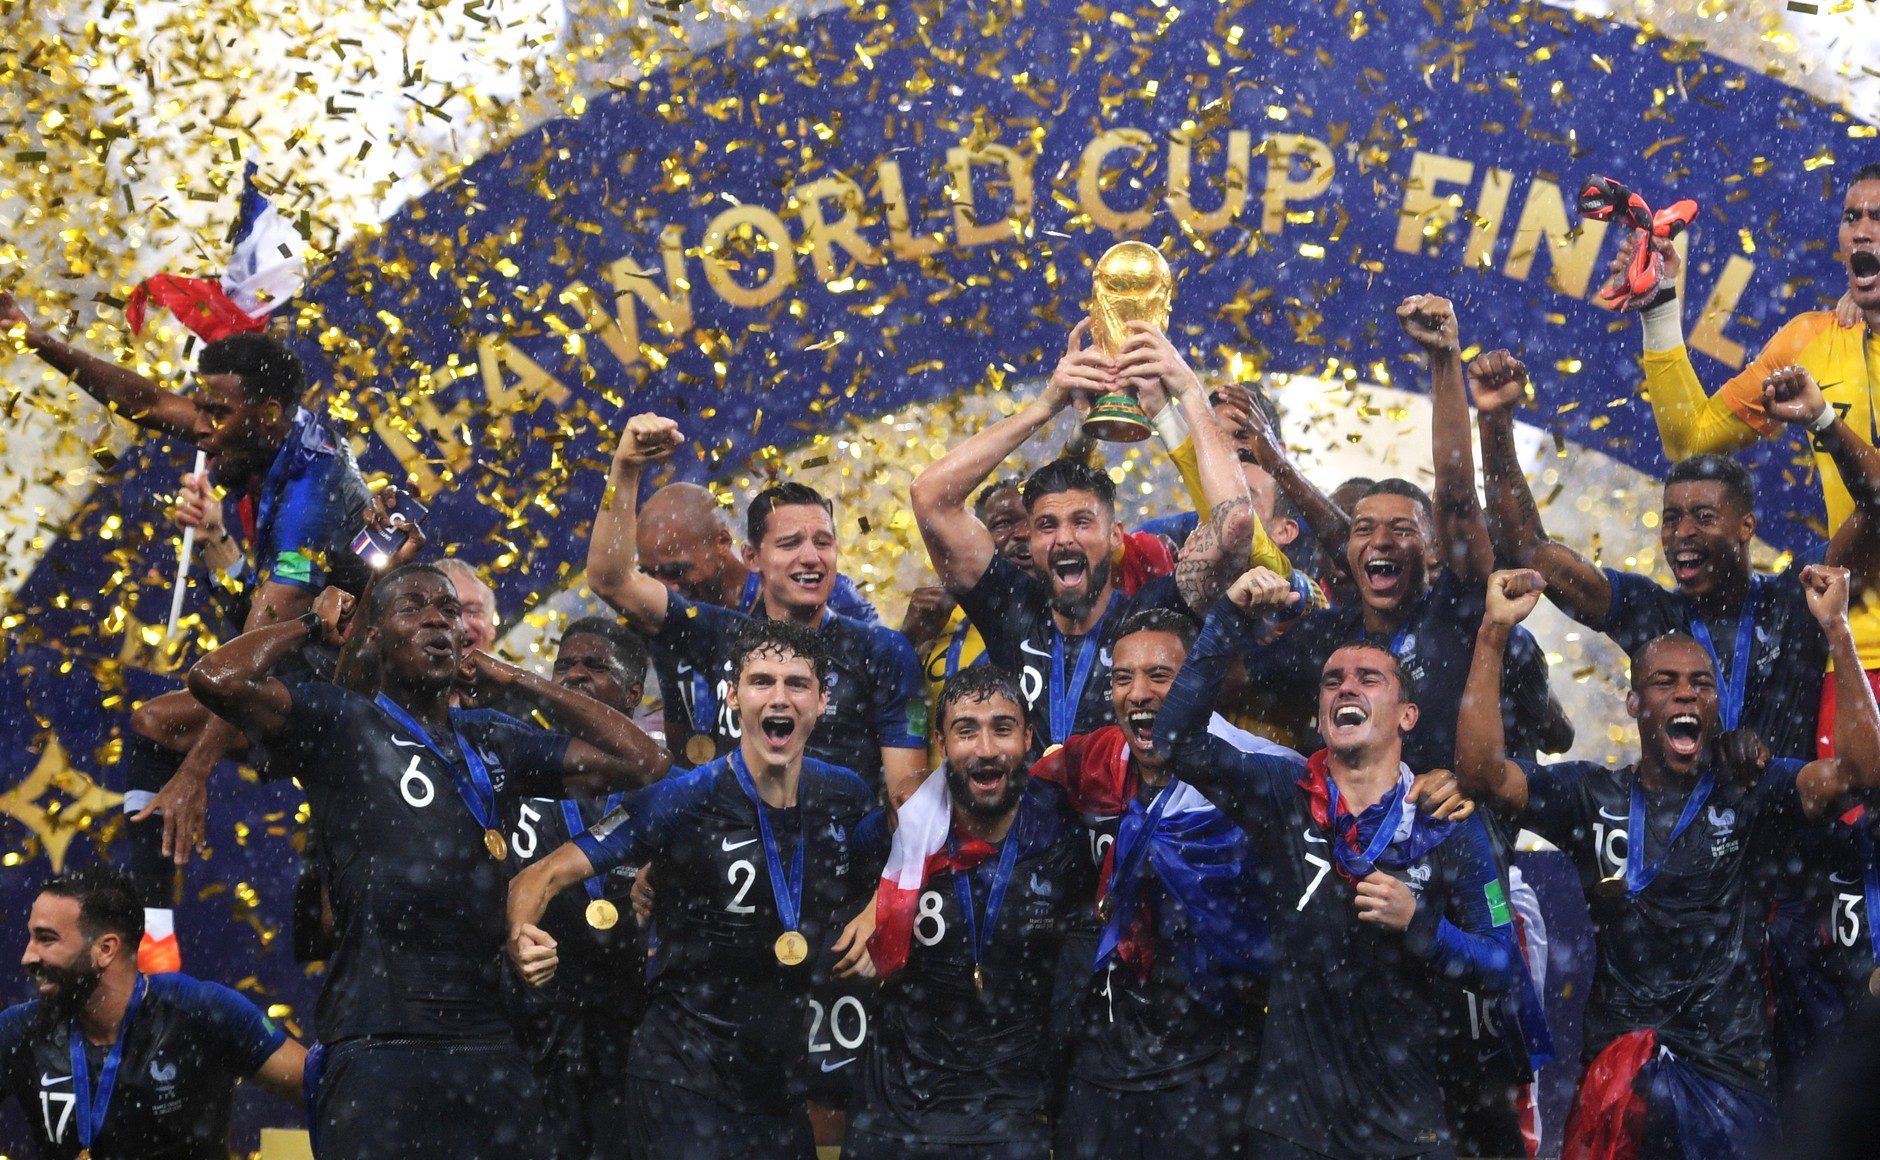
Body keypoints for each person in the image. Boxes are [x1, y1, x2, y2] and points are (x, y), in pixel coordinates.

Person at [185, 565, 670, 1158]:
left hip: (490, 1045)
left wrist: (518, 679)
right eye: (412, 607)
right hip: (378, 1043)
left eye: (449, 609)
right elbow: (217, 678)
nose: (439, 618)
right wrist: (312, 623)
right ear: (374, 636)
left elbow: (644, 763)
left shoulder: (491, 739)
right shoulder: (343, 721)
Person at [0, 297, 375, 970]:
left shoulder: (312, 490)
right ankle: (154, 940)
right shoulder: (271, 438)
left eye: (215, 412)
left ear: (265, 414)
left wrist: (196, 773)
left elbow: (257, 645)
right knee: (155, 723)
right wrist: (38, 340)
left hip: (347, 700)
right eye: (201, 406)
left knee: (166, 727)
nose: (198, 426)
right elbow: (145, 401)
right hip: (307, 674)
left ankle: (157, 943)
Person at [1455, 566, 1880, 1158]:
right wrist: (1492, 634)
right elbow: (1481, 774)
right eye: (1665, 682)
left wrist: (1836, 629)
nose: (1686, 693)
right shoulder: (1590, 796)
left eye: (1701, 683)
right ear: (1633, 703)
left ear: (1715, 706)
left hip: (1730, 1075)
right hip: (1619, 1077)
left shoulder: (1752, 793)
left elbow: (1862, 772)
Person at [1155, 565, 1522, 1158]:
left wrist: (1421, 926)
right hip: (1291, 1126)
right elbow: (1175, 741)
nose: (1345, 688)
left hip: (1405, 1127)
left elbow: (1501, 963)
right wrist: (1225, 618)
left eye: (1369, 679)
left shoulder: (1447, 821)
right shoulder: (1283, 790)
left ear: (1406, 715)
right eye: (1331, 681)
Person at [506, 619, 886, 1160]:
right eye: (761, 681)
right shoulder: (683, 799)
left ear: (822, 700)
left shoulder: (843, 795)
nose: (779, 697)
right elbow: (537, 877)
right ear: (733, 696)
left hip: (778, 1087)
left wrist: (878, 912)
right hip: (682, 1077)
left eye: (797, 684)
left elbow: (905, 849)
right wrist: (522, 934)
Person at [1475, 347, 1880, 761]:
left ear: (1746, 527)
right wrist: (1493, 419)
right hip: (1677, 826)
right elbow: (1528, 548)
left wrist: (1824, 421)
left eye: (1703, 517)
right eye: (1671, 518)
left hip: (1791, 819)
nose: (1682, 533)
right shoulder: (1650, 614)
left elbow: (1877, 506)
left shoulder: (1798, 597)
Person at [1233, 297, 1572, 774]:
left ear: (1435, 552)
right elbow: (1229, 680)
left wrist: (1444, 358)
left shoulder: (1463, 612)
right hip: (1353, 846)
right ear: (1347, 554)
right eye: (1365, 530)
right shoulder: (1329, 637)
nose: (1380, 541)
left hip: (1454, 838)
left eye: (1403, 529)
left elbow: (1455, 496)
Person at [1608, 163, 1880, 744]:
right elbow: (1691, 442)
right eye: (1851, 217)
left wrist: (1825, 421)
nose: (1861, 231)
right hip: (1859, 651)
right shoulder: (1814, 340)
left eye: (1877, 218)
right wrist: (1659, 310)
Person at [910, 319, 1267, 753]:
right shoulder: (1009, 606)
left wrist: (1186, 394)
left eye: (1082, 522)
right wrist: (1046, 405)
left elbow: (1235, 526)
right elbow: (929, 496)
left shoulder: (1151, 616)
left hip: (1134, 820)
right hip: (1033, 818)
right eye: (1047, 525)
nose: (1063, 539)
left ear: (1117, 536)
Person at [1036, 608, 1277, 1160]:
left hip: (1214, 1070)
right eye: (1123, 678)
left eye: (1160, 676)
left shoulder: (1263, 773)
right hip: (1102, 1072)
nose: (1138, 693)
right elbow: (991, 797)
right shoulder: (1095, 763)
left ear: (1198, 680)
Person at [587, 415, 928, 803]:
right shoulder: (719, 633)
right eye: (789, 544)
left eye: (823, 542)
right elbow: (609, 579)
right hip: (730, 854)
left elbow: (907, 797)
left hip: (839, 855)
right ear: (751, 557)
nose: (810, 557)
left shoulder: (882, 652)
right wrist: (626, 467)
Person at [850, 665, 1090, 1159]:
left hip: (1012, 1116)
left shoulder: (1064, 833)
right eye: (966, 731)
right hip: (897, 1116)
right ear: (939, 742)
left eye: (1002, 728)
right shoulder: (893, 834)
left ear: (1027, 738)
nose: (985, 749)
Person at [0, 865, 307, 1158]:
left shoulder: (201, 1012)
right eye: (31, 938)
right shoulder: (19, 1031)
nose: (28, 956)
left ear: (106, 949)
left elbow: (326, 1088)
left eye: (46, 939)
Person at [504, 617, 656, 1160]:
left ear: (635, 693)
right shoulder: (519, 772)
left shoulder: (663, 787)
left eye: (595, 666)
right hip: (536, 1026)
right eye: (565, 665)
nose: (575, 676)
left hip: (634, 1025)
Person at [635, 480, 881, 624]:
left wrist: (910, 636)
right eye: (649, 573)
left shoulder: (823, 592)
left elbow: (888, 668)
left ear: (722, 543)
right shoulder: (676, 622)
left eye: (674, 570)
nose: (664, 587)